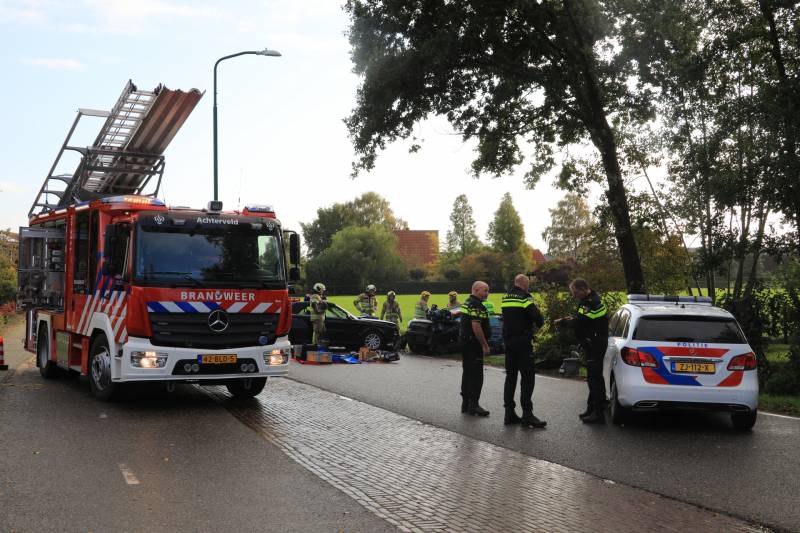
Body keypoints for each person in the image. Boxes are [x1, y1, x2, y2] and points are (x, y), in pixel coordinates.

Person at [555, 278, 609, 424]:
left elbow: (579, 322)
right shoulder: (589, 300)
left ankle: (598, 414)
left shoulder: (590, 303)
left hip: (595, 345)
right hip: (593, 343)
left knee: (594, 378)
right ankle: (592, 408)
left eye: (575, 292)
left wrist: (562, 322)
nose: (574, 295)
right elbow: (581, 318)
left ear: (583, 289)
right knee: (594, 377)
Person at [500, 274, 546, 428]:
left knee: (510, 377)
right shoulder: (525, 298)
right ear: (525, 284)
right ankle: (527, 414)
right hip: (523, 342)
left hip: (509, 342)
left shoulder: (505, 298)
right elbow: (538, 318)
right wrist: (534, 326)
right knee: (527, 377)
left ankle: (509, 413)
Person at [459, 281, 492, 416]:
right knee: (476, 375)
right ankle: (474, 405)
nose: (487, 293)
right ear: (476, 290)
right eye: (485, 290)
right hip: (474, 344)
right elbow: (476, 326)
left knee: (467, 372)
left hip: (465, 342)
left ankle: (465, 403)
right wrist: (484, 345)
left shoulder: (467, 302)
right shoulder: (477, 305)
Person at [310, 282, 328, 347]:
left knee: (320, 331)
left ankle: (317, 344)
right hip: (317, 317)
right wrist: (319, 311)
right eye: (322, 290)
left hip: (319, 318)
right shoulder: (315, 296)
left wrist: (323, 300)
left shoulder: (318, 296)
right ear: (319, 289)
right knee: (317, 332)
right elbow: (314, 304)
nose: (323, 291)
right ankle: (314, 345)